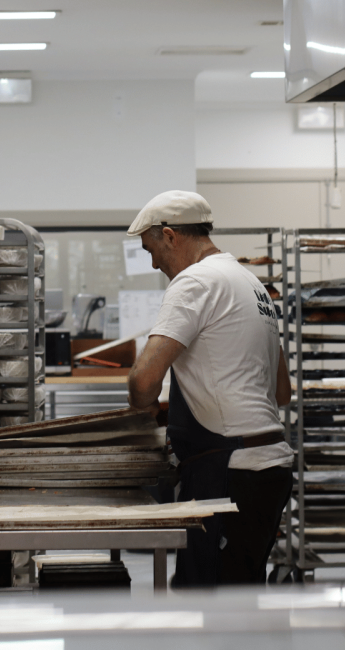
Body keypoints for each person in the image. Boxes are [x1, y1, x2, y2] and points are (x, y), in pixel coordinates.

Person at [126, 190, 293, 587]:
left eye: (151, 249)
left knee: (207, 603)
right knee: (241, 593)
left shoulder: (195, 282)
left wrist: (144, 405)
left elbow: (143, 383)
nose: (153, 262)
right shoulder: (250, 283)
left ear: (170, 235)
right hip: (268, 469)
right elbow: (281, 391)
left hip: (229, 473)